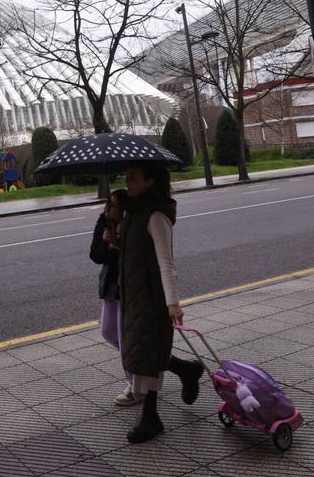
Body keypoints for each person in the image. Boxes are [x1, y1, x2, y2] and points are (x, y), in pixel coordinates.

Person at [118, 162, 204, 444]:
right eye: (127, 177)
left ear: (150, 182)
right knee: (142, 351)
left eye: (133, 177)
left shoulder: (156, 216)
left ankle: (151, 417)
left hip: (153, 299)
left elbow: (166, 263)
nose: (127, 182)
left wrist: (173, 303)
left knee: (147, 354)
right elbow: (135, 252)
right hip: (135, 295)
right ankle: (187, 370)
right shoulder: (133, 211)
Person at [90, 188, 138, 406]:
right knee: (108, 331)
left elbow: (136, 254)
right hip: (110, 285)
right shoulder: (103, 221)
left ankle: (134, 385)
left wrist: (117, 244)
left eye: (114, 205)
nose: (109, 208)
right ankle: (144, 364)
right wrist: (108, 245)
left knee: (125, 336)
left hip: (127, 287)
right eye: (108, 203)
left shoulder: (133, 223)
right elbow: (95, 255)